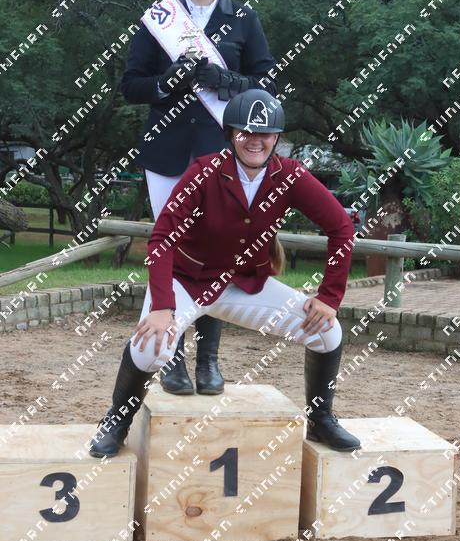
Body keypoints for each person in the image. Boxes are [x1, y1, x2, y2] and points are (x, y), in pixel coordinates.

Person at [89, 89, 361, 458]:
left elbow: (341, 227)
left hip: (243, 286)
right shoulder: (204, 171)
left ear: (276, 138)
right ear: (231, 133)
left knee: (327, 332)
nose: (255, 140)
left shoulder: (290, 175)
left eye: (264, 133)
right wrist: (162, 306)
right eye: (245, 132)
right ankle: (116, 422)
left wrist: (329, 297)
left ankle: (321, 419)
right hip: (186, 283)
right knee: (152, 347)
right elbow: (163, 238)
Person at [121, 0, 277, 397]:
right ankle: (172, 356)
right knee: (170, 247)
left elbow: (267, 81)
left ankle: (208, 358)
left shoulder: (244, 18)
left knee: (217, 250)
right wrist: (166, 82)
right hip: (167, 152)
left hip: (220, 152)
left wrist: (227, 82)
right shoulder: (159, 18)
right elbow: (131, 85)